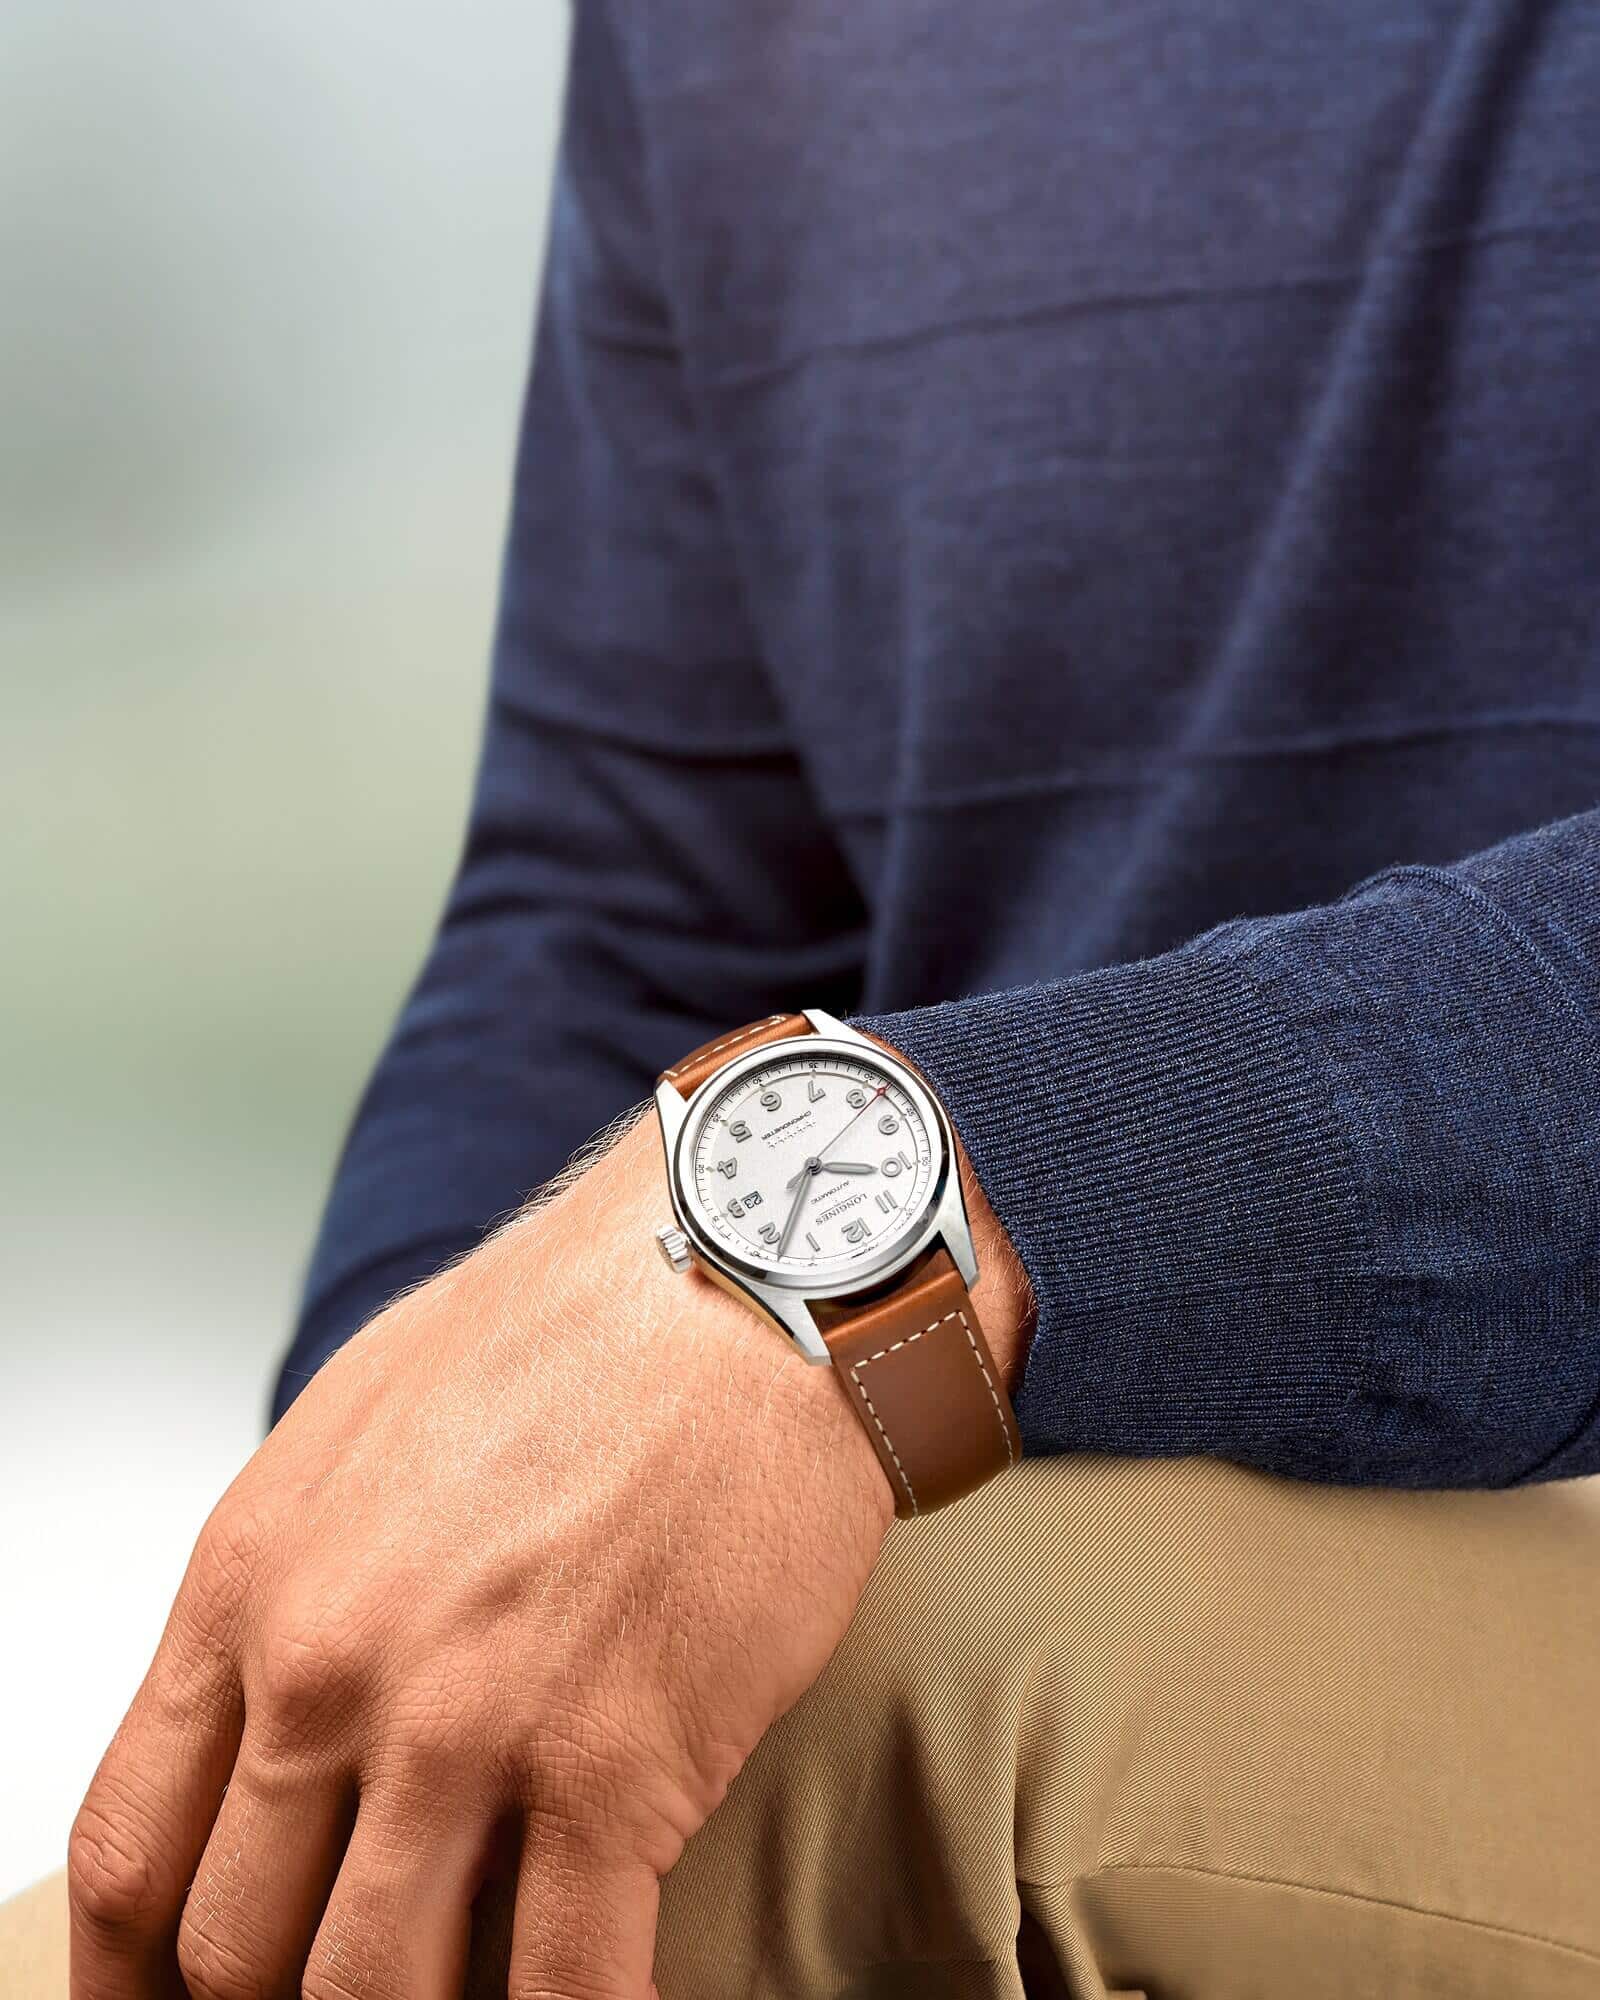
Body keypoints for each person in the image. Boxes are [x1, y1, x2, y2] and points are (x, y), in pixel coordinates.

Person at [8, 1, 1600, 1993]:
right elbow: (625, 897)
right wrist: (397, 1559)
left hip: (1252, 1553)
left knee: (870, 1723)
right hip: (995, 1466)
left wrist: (924, 1240)